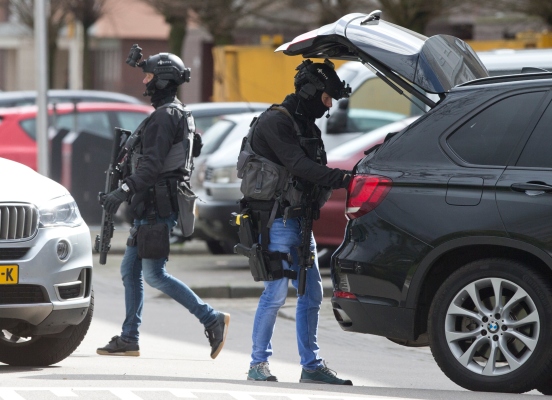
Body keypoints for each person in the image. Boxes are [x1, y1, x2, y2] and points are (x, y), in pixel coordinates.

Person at [96, 45, 230, 359]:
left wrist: (122, 192)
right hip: (153, 204)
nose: (144, 82)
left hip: (157, 205)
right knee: (130, 272)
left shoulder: (165, 117)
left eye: (149, 76)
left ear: (163, 80)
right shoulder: (179, 113)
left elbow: (152, 166)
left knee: (154, 274)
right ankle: (129, 338)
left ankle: (211, 318)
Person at [237, 58, 353, 385]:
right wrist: (344, 178)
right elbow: (298, 164)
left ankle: (311, 366)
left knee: (312, 294)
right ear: (311, 91)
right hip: (278, 220)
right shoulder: (276, 122)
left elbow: (312, 170)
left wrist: (340, 178)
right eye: (327, 98)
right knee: (276, 293)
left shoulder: (307, 125)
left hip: (301, 222)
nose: (328, 105)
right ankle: (258, 365)